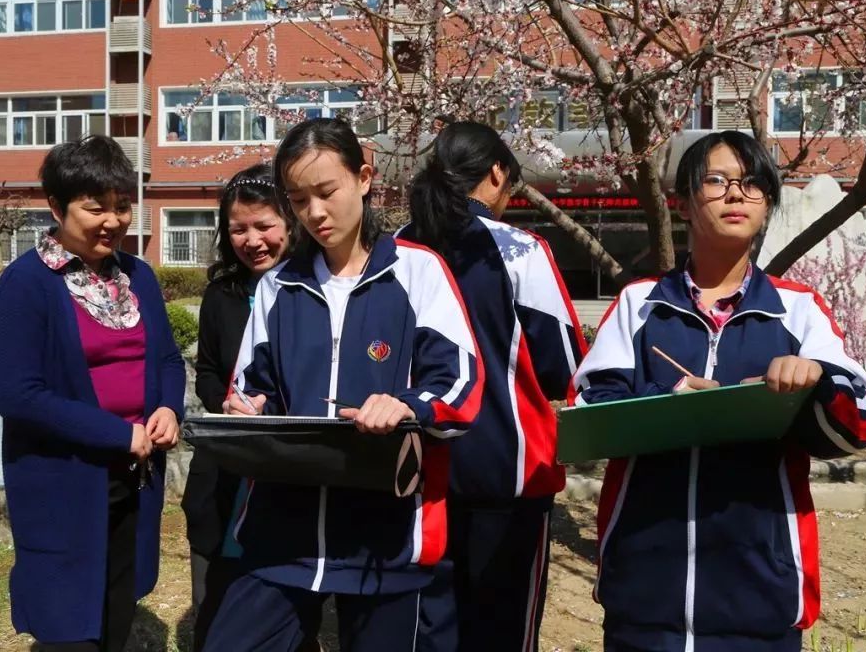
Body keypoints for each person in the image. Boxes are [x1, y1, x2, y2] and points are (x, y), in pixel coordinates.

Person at [573, 131, 866, 652]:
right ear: (683, 204)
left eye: (753, 183)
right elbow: (588, 409)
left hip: (761, 593)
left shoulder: (798, 309)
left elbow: (859, 423)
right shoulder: (638, 304)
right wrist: (671, 397)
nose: (737, 194)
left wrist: (814, 381)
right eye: (717, 181)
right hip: (645, 597)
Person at [203, 117, 483, 652]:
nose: (314, 213)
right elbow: (251, 386)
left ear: (364, 178)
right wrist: (246, 408)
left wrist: (404, 404)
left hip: (387, 536)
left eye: (326, 192)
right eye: (298, 199)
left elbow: (462, 383)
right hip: (282, 532)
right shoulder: (277, 287)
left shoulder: (418, 272)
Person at [0, 135, 186, 652]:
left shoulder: (137, 276)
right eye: (94, 208)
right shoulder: (27, 283)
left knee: (118, 602)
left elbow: (165, 358)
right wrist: (116, 433)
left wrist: (167, 406)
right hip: (64, 475)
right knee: (67, 622)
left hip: (134, 473)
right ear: (56, 207)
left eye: (122, 207)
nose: (113, 221)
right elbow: (18, 394)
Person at [399, 121, 587, 651]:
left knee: (430, 630)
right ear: (497, 173)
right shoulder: (519, 249)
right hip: (508, 468)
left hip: (416, 466)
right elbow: (565, 364)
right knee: (501, 630)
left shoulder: (395, 249)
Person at [183, 164, 293, 650]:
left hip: (289, 472)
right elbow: (206, 369)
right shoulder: (222, 295)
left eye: (264, 225)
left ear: (291, 222)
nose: (252, 240)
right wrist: (223, 400)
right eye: (238, 229)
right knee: (214, 604)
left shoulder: (315, 291)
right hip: (225, 468)